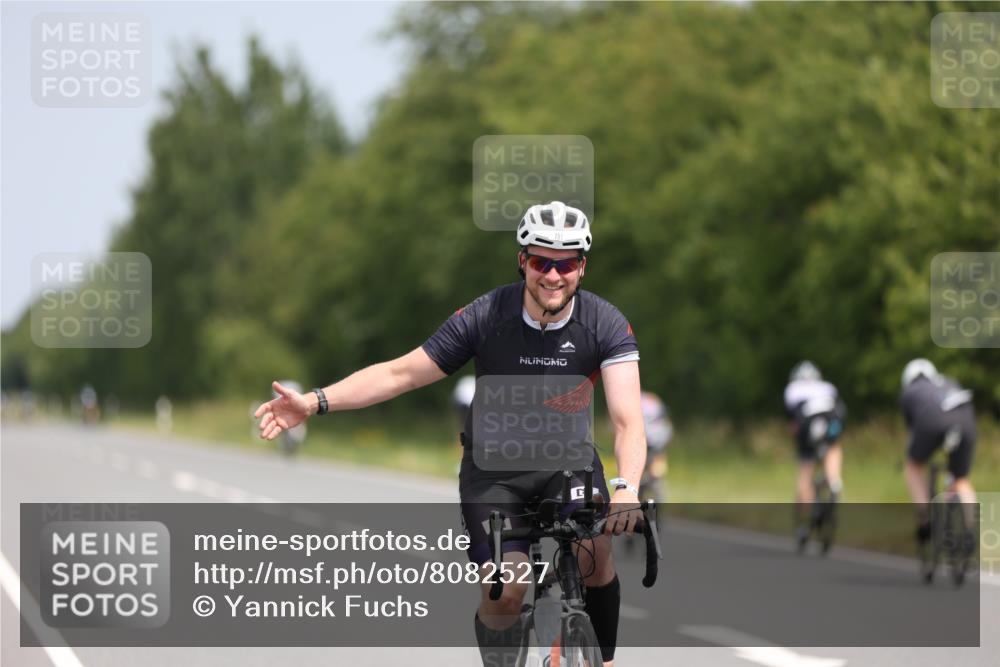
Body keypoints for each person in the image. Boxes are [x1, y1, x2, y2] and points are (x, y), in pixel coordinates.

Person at [255, 201, 644, 667]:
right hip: (494, 473)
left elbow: (628, 420)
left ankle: (604, 660)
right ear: (523, 261)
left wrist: (627, 487)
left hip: (569, 464)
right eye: (542, 263)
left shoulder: (604, 323)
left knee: (595, 551)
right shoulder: (486, 315)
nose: (553, 276)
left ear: (582, 267)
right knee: (507, 588)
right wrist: (315, 401)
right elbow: (401, 374)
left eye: (566, 264)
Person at [899, 359, 977, 549]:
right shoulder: (949, 381)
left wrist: (916, 453)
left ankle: (925, 519)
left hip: (932, 422)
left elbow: (913, 430)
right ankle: (971, 530)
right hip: (966, 422)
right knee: (961, 478)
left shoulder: (909, 392)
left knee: (913, 466)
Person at [783, 361, 846, 542]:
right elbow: (841, 410)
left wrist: (799, 442)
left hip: (807, 421)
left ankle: (804, 520)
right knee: (833, 448)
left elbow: (793, 424)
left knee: (806, 468)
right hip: (832, 417)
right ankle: (834, 480)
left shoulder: (793, 389)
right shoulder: (827, 387)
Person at [639, 391, 672, 498]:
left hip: (650, 441)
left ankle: (650, 483)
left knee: (652, 473)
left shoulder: (642, 400)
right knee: (652, 474)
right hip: (655, 440)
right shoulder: (652, 399)